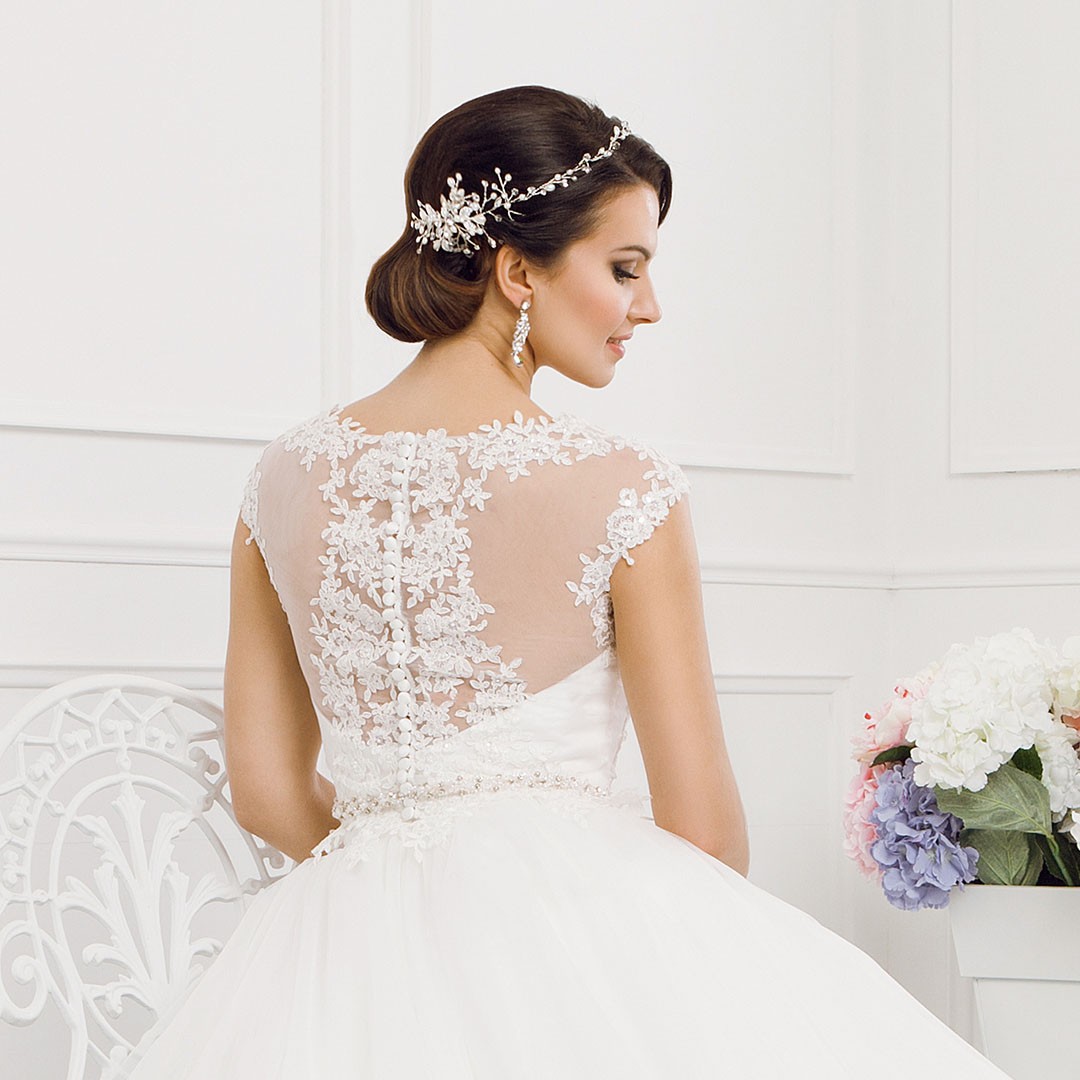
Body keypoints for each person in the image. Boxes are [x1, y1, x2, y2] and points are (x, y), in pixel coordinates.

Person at [114, 85, 1007, 1078]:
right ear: (515, 271)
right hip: (578, 937)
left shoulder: (279, 477)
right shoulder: (626, 491)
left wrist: (395, 905)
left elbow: (269, 790)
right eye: (624, 269)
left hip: (335, 953)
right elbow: (704, 834)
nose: (649, 306)